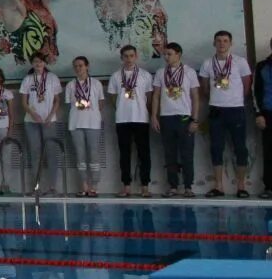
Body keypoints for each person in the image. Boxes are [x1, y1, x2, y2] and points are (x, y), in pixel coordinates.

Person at [200, 29, 252, 197]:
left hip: (236, 109)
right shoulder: (207, 63)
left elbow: (247, 86)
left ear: (231, 43)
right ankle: (219, 186)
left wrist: (234, 100)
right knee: (216, 148)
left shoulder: (240, 62)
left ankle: (241, 186)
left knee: (240, 148)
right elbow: (205, 88)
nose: (222, 44)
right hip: (216, 110)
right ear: (214, 43)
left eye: (225, 41)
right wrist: (218, 99)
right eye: (219, 41)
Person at [152, 41, 200, 197]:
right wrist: (154, 116)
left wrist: (195, 119)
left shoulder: (189, 72)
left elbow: (195, 97)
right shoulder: (160, 73)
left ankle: (188, 186)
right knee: (169, 154)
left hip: (184, 117)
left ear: (178, 54)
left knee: (187, 153)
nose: (166, 57)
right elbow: (156, 95)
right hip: (166, 117)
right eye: (165, 54)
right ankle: (173, 186)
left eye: (169, 54)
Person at [111, 45, 154, 198]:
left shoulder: (145, 75)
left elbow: (149, 98)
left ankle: (145, 186)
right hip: (122, 119)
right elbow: (113, 98)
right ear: (121, 58)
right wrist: (122, 108)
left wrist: (146, 112)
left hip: (141, 119)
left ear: (136, 57)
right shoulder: (116, 76)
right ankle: (126, 186)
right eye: (125, 56)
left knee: (144, 154)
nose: (128, 59)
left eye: (131, 56)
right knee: (124, 154)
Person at [20, 53, 62, 194]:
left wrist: (50, 116)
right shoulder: (27, 79)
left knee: (51, 152)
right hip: (31, 121)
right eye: (35, 61)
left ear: (45, 63)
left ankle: (52, 187)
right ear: (32, 63)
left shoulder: (52, 78)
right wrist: (33, 114)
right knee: (35, 154)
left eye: (41, 61)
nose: (38, 64)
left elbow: (57, 100)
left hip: (49, 121)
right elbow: (24, 103)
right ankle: (37, 187)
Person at [65, 56, 106, 197]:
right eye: (76, 66)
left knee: (94, 155)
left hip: (93, 123)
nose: (78, 68)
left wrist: (91, 112)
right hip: (75, 123)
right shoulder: (70, 85)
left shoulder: (96, 83)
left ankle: (94, 186)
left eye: (81, 65)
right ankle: (84, 186)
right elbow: (68, 104)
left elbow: (101, 103)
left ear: (87, 66)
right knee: (80, 156)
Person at [254, 38, 272, 198]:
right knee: (269, 151)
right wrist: (258, 114)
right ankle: (269, 187)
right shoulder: (262, 66)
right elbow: (255, 91)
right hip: (268, 113)